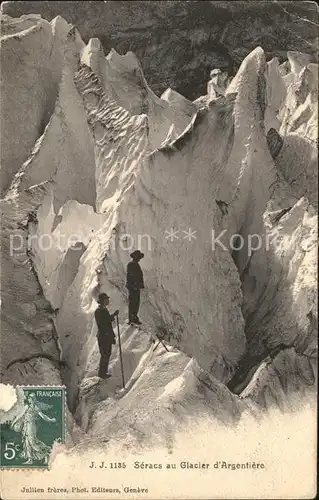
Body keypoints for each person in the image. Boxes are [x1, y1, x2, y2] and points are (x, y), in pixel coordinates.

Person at [94, 293, 119, 379]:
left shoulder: (103, 310)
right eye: (106, 299)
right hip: (103, 336)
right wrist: (113, 316)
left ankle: (103, 372)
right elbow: (104, 323)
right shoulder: (99, 311)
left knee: (106, 354)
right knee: (105, 354)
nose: (108, 300)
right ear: (102, 301)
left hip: (105, 335)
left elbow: (106, 321)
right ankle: (102, 373)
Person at [126, 250, 144, 325]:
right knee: (134, 302)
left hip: (134, 287)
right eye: (138, 257)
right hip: (134, 287)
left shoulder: (134, 264)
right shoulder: (132, 265)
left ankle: (133, 317)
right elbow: (132, 276)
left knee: (135, 303)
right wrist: (135, 285)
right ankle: (132, 318)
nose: (139, 259)